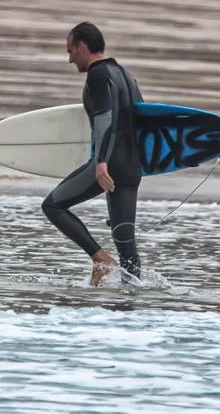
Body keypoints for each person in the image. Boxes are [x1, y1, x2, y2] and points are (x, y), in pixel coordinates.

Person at [41, 22, 145, 286]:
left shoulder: (98, 75)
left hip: (109, 164)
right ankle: (132, 300)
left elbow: (104, 119)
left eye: (71, 51)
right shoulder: (126, 76)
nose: (69, 58)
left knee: (52, 206)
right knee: (125, 239)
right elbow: (144, 120)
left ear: (83, 46)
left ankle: (99, 258)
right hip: (132, 167)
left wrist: (100, 162)